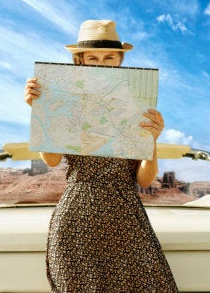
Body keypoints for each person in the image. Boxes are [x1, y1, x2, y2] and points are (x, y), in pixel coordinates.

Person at [24, 19, 177, 292]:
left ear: (119, 61)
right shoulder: (64, 98)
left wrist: (151, 142)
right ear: (80, 61)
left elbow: (143, 179)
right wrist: (41, 111)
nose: (101, 63)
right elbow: (51, 160)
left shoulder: (134, 103)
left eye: (109, 57)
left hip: (126, 219)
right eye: (93, 57)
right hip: (76, 220)